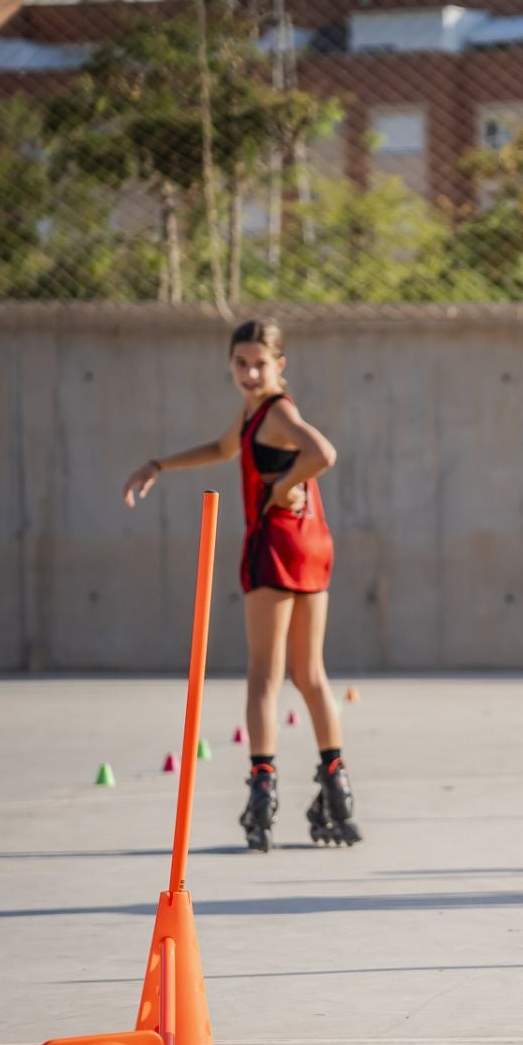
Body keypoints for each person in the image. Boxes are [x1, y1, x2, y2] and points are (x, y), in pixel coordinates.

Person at [121, 318, 359, 851]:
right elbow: (224, 448)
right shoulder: (255, 415)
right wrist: (158, 464)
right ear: (231, 365)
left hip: (276, 545)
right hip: (312, 544)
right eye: (241, 363)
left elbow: (323, 453)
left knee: (263, 676)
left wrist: (280, 485)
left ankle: (262, 789)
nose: (250, 373)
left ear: (280, 365)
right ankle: (337, 789)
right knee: (310, 673)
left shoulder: (277, 410)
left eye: (260, 363)